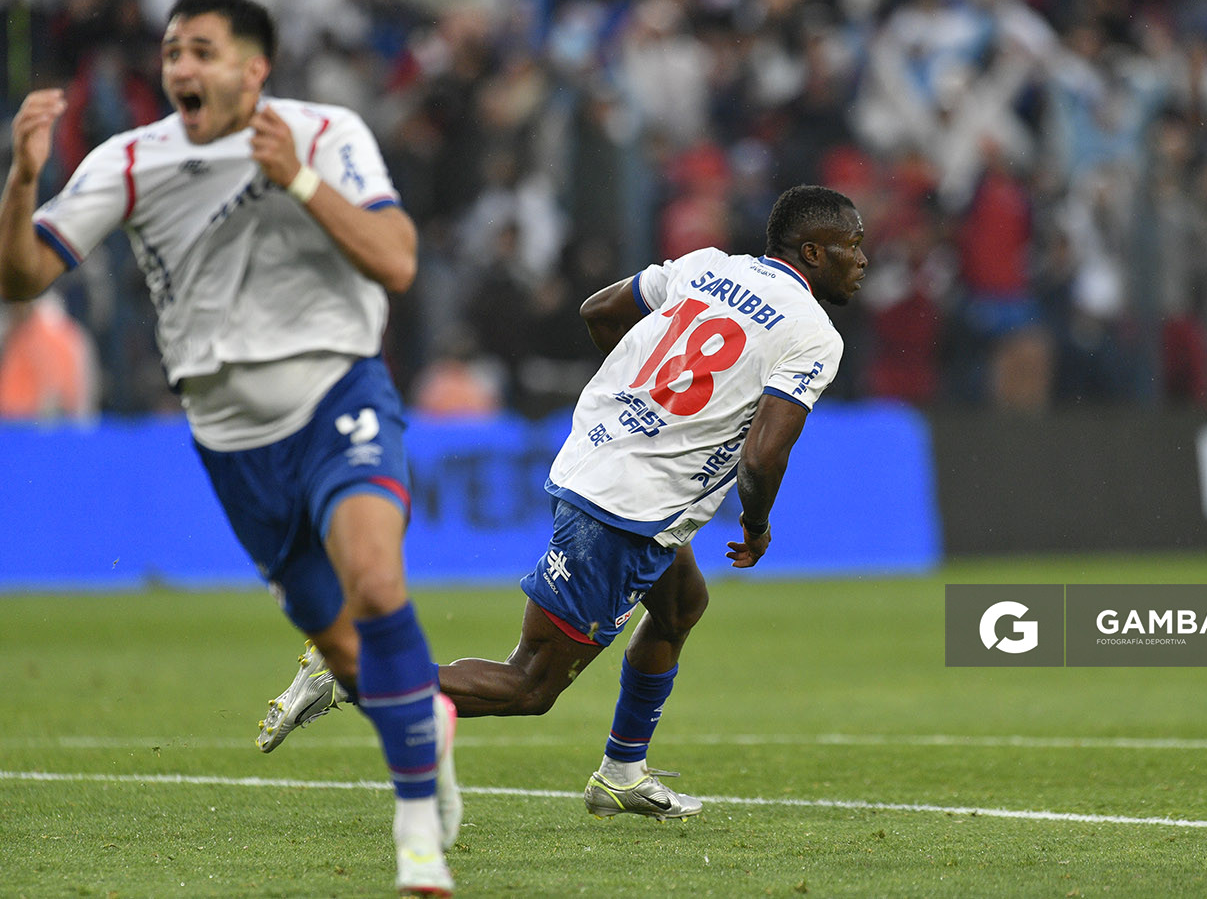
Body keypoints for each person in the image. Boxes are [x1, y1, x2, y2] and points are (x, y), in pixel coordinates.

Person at [0, 0, 460, 897]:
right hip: (230, 436)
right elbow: (22, 275)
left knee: (375, 579)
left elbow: (398, 259)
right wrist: (20, 178)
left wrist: (296, 178)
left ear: (255, 69)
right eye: (172, 52)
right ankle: (428, 730)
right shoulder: (132, 159)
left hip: (339, 391)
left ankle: (417, 835)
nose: (181, 68)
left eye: (202, 51)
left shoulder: (326, 134)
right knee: (344, 651)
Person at [262, 184, 867, 819]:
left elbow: (599, 310)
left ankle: (621, 773)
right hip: (628, 504)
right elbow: (763, 456)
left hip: (601, 461)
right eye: (852, 246)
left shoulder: (708, 266)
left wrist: (644, 399)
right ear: (813, 251)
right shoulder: (813, 334)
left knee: (680, 605)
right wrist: (757, 522)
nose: (863, 260)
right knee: (530, 684)